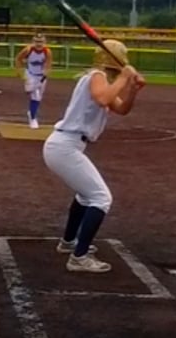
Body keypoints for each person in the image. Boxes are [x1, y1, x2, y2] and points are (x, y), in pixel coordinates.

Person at [41, 39, 144, 274]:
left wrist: (132, 89)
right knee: (101, 198)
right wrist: (124, 77)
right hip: (65, 146)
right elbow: (103, 99)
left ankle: (68, 242)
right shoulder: (97, 76)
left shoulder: (104, 81)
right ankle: (79, 258)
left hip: (68, 146)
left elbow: (121, 108)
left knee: (86, 196)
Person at [14, 33, 53, 128]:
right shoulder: (28, 50)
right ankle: (33, 118)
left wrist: (45, 73)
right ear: (33, 42)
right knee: (35, 95)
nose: (39, 44)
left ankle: (31, 112)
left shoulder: (47, 52)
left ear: (44, 42)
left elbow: (48, 64)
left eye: (41, 42)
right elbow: (18, 58)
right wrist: (19, 71)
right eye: (37, 42)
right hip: (30, 74)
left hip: (41, 76)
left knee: (38, 97)